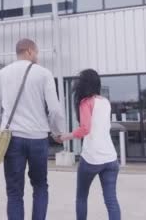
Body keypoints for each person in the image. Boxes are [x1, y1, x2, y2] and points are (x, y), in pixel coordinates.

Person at [0, 38, 65, 220]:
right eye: (37, 53)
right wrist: (57, 132)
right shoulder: (44, 73)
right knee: (40, 186)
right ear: (30, 51)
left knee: (14, 191)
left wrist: (0, 129)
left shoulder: (1, 75)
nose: (37, 57)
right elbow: (54, 109)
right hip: (38, 139)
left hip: (12, 139)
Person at [60, 69, 121, 220]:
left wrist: (66, 136)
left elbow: (85, 129)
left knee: (81, 197)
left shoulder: (86, 102)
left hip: (92, 159)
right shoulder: (105, 102)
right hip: (111, 158)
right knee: (111, 201)